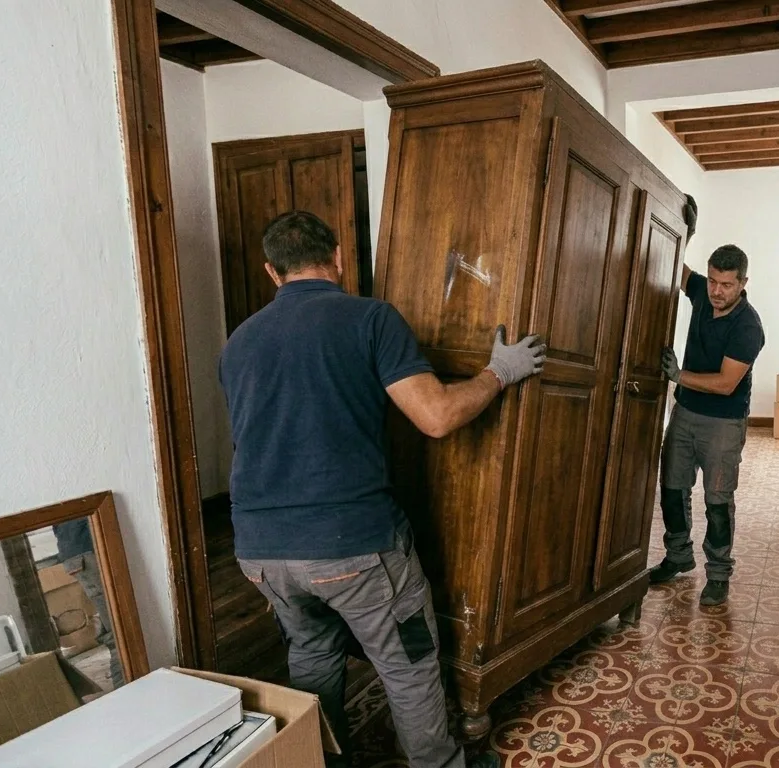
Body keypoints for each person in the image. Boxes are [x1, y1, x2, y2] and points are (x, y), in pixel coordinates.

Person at [219, 211, 544, 768]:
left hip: (259, 551)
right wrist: (499, 373)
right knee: (408, 659)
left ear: (273, 272)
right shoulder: (369, 319)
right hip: (349, 543)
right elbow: (436, 417)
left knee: (313, 652)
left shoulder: (238, 342)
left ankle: (320, 759)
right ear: (339, 256)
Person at [650, 243, 765, 606]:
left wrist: (678, 376)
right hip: (685, 413)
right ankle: (679, 554)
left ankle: (718, 574)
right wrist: (685, 232)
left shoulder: (748, 326)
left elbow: (726, 383)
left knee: (717, 500)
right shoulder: (702, 291)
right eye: (713, 281)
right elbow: (677, 268)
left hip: (724, 423)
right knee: (671, 487)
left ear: (743, 283)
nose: (716, 291)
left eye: (727, 285)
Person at [52, 518, 124, 690]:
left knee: (116, 630)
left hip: (73, 548)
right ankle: (129, 694)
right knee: (121, 635)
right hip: (88, 544)